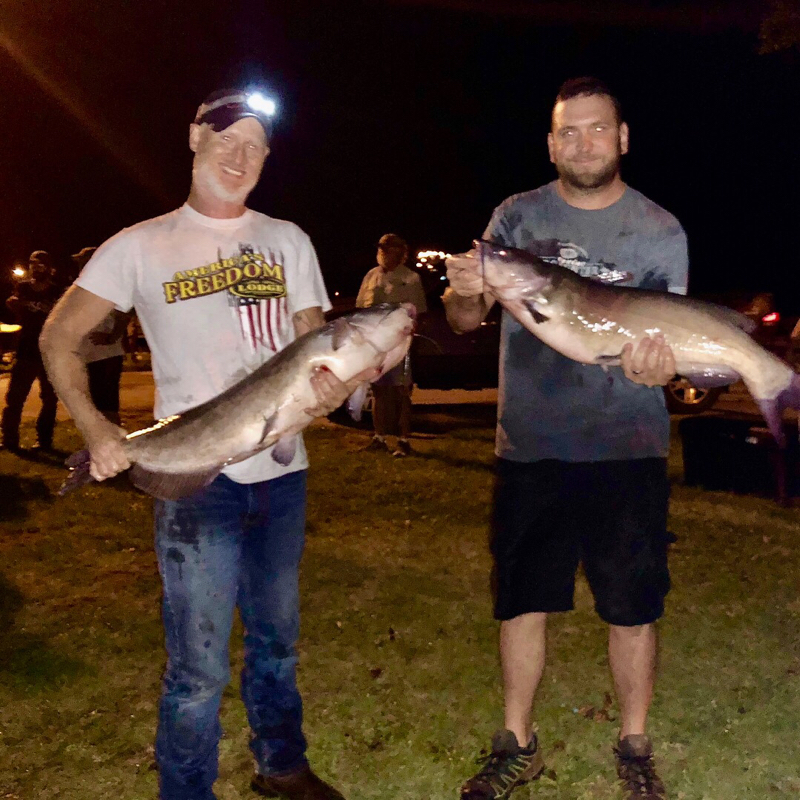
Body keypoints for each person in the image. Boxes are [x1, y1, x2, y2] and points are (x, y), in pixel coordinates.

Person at [40, 87, 369, 800]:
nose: (240, 154)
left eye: (255, 143)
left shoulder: (289, 241)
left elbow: (315, 351)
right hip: (197, 481)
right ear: (195, 137)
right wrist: (97, 429)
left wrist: (334, 388)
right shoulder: (139, 245)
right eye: (226, 137)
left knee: (277, 642)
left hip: (282, 473)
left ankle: (281, 766)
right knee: (198, 666)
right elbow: (58, 336)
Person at [443, 77, 688, 800]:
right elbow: (463, 321)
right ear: (551, 143)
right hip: (531, 445)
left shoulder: (659, 230)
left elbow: (665, 346)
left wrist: (661, 366)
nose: (582, 143)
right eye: (568, 132)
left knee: (633, 607)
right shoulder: (513, 221)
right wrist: (464, 291)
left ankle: (635, 743)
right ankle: (517, 742)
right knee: (522, 601)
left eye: (596, 129)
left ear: (622, 137)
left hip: (628, 445)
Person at [356, 233, 427, 456]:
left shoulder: (411, 278)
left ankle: (403, 440)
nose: (385, 253)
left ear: (401, 252)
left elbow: (419, 313)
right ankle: (379, 437)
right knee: (378, 391)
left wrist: (409, 338)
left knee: (401, 392)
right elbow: (361, 309)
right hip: (376, 345)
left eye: (390, 248)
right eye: (382, 248)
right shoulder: (370, 276)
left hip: (399, 344)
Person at [1, 250, 63, 453]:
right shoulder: (24, 287)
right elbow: (17, 309)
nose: (36, 268)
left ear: (49, 267)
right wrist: (14, 305)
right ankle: (9, 441)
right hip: (26, 348)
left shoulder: (57, 291)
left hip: (49, 351)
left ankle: (44, 442)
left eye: (40, 264)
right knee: (15, 398)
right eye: (32, 264)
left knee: (50, 398)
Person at [72, 247, 130, 425]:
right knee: (95, 404)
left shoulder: (110, 284)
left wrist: (112, 337)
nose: (81, 265)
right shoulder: (83, 286)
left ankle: (115, 445)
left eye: (84, 261)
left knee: (107, 404)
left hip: (107, 354)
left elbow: (124, 313)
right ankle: (104, 445)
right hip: (90, 354)